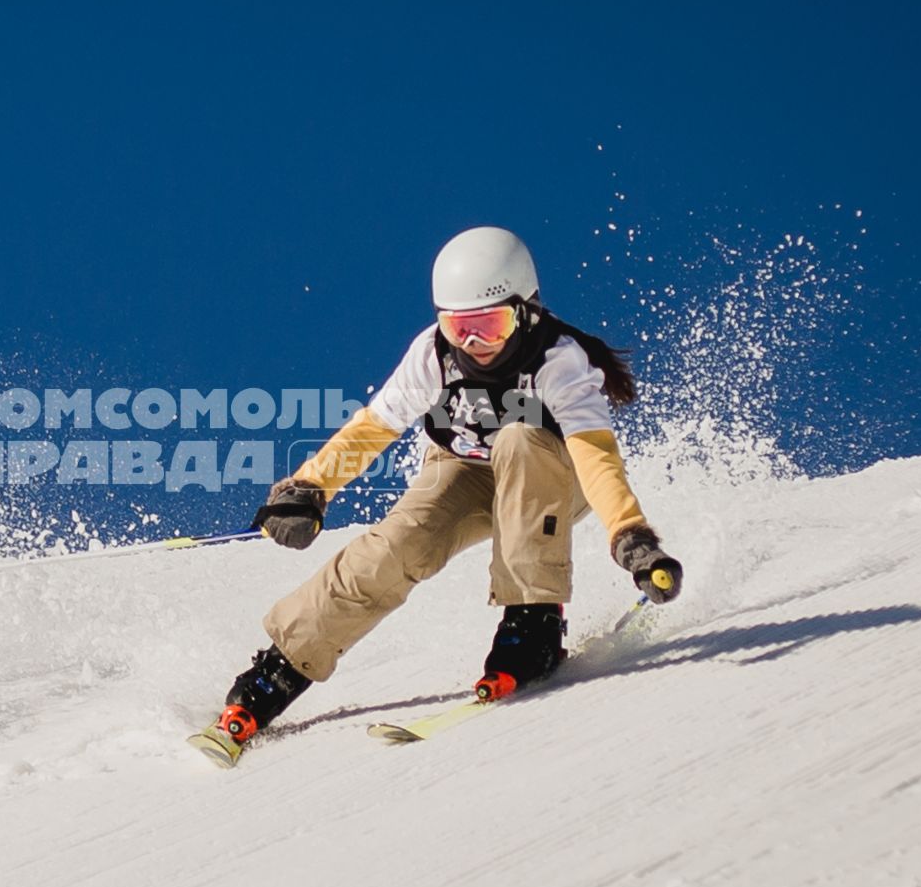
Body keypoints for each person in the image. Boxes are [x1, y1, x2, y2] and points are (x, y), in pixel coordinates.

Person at [198, 225, 683, 763]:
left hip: (550, 480)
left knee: (521, 438)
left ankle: (534, 618)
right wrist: (310, 487)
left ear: (526, 312)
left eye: (491, 326)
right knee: (395, 544)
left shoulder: (559, 362)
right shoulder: (433, 355)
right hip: (463, 471)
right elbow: (373, 428)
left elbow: (595, 456)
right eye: (459, 328)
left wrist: (630, 535)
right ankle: (281, 668)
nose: (474, 345)